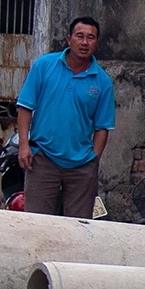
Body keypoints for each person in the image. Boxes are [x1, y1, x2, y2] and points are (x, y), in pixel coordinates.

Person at [15, 16, 116, 218]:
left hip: (81, 166)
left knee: (79, 227)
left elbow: (102, 128)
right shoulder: (44, 66)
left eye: (91, 38)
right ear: (69, 40)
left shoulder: (103, 82)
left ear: (96, 43)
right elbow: (25, 107)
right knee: (36, 223)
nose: (85, 42)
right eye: (80, 36)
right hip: (43, 158)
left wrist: (92, 161)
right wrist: (24, 145)